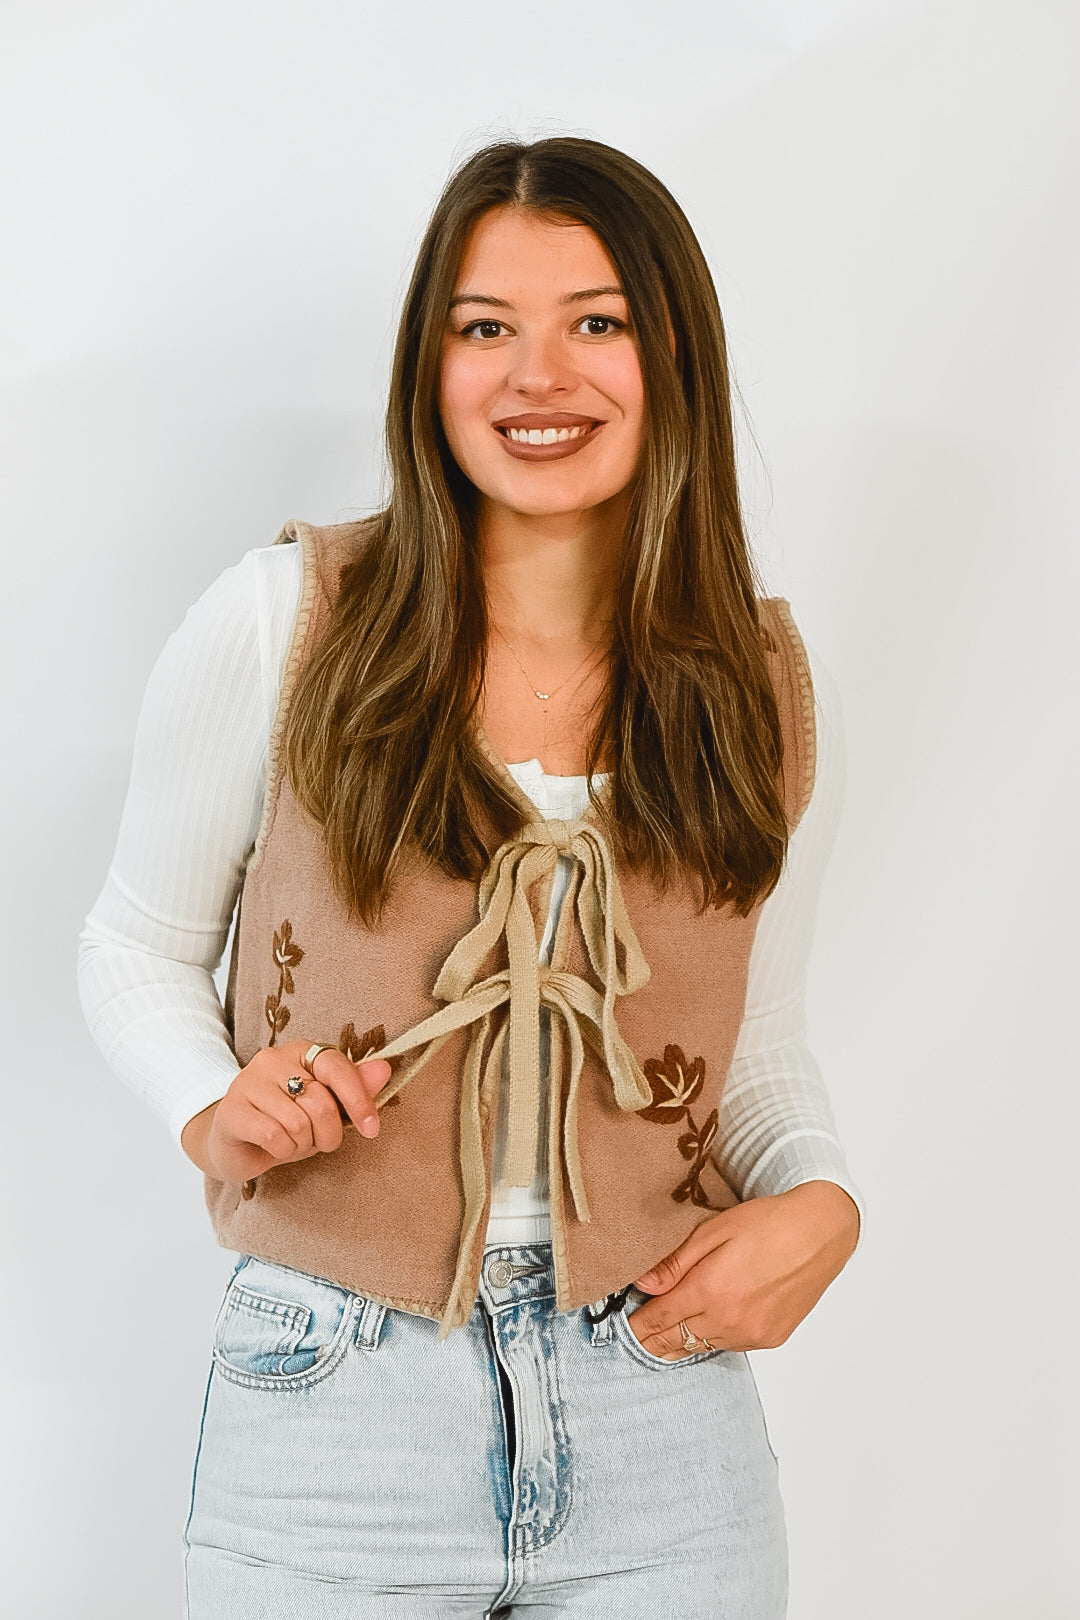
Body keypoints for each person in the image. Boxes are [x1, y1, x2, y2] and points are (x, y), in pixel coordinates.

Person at [78, 137, 863, 1618]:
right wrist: (213, 1105)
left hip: (662, 1404)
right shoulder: (284, 623)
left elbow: (754, 1044)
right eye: (484, 326)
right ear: (427, 369)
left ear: (674, 356)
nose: (536, 375)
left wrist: (822, 1199)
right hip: (331, 1403)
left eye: (597, 321)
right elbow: (134, 947)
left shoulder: (760, 688)